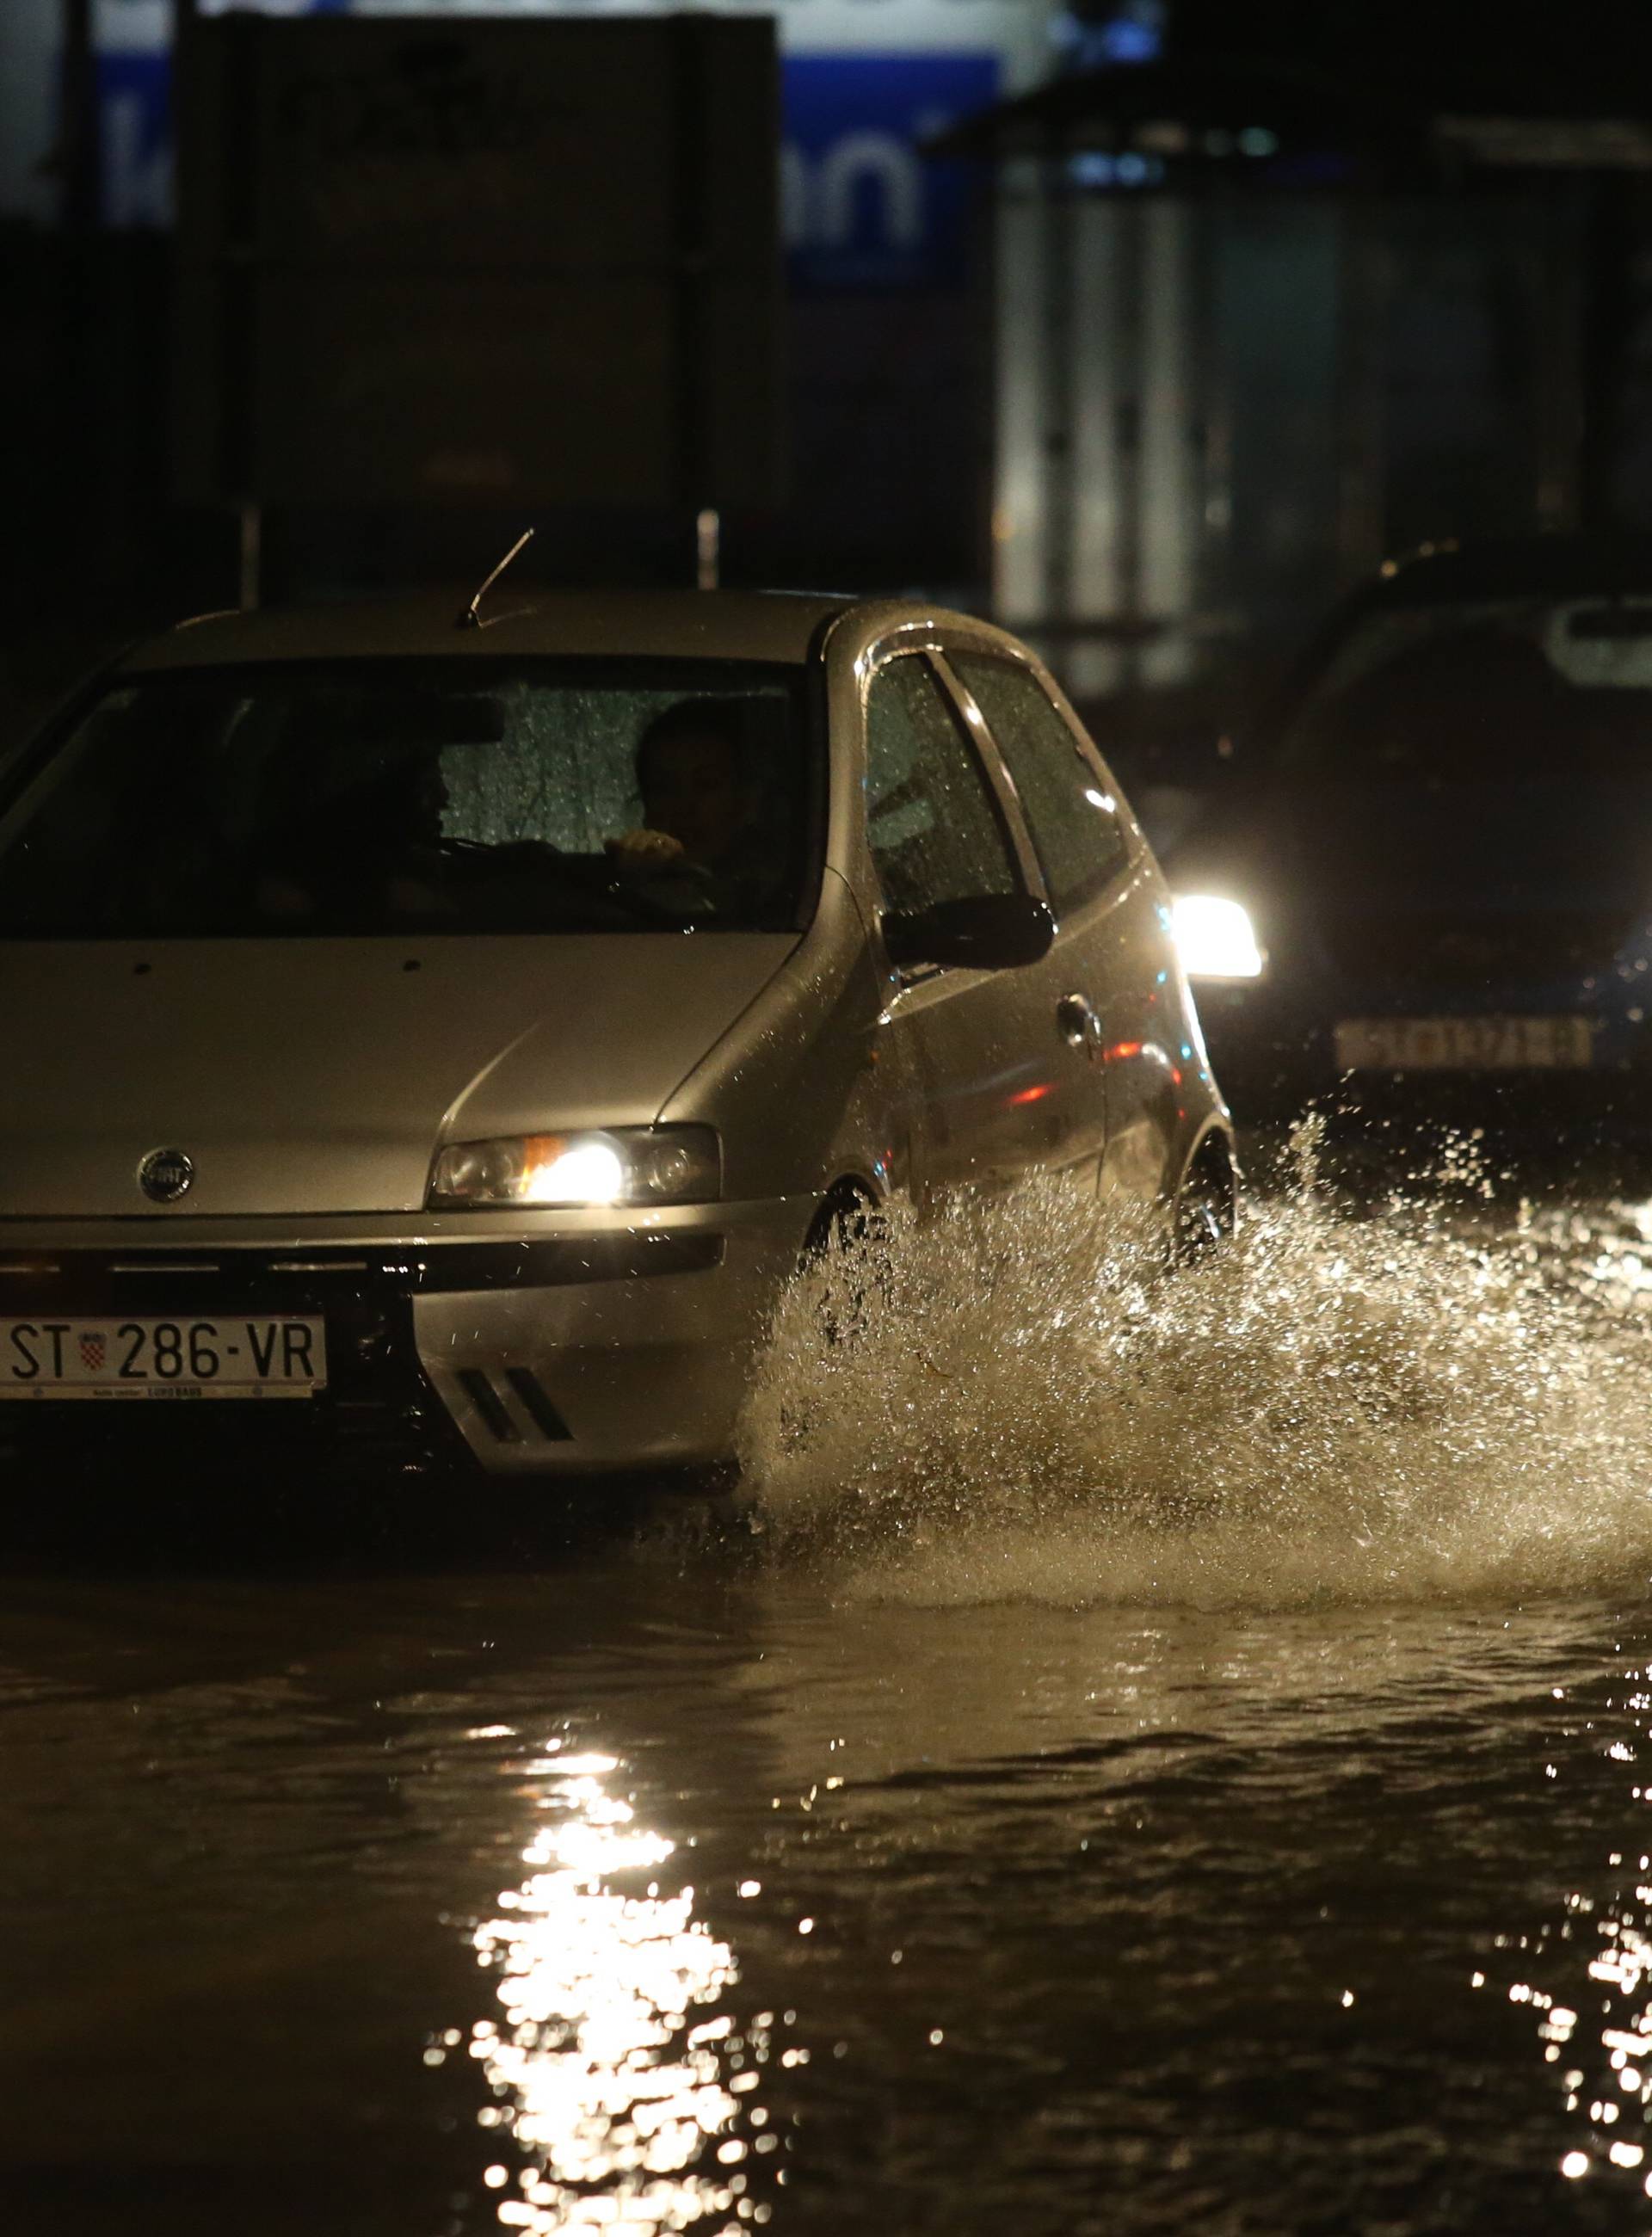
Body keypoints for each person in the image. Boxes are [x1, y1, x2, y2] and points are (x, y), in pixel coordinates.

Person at [604, 699, 767, 914]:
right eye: (664, 788)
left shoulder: (784, 897)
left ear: (746, 799)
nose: (684, 807)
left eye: (706, 784)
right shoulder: (615, 901)